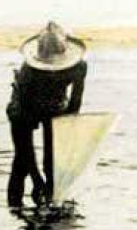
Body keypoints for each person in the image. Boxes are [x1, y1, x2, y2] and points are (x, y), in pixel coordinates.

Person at [6, 21, 88, 208]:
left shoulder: (78, 67)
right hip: (23, 107)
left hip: (56, 106)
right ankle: (14, 209)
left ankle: (53, 208)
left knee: (54, 164)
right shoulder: (28, 73)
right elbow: (25, 144)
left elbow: (74, 107)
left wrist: (65, 145)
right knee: (21, 164)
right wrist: (36, 179)